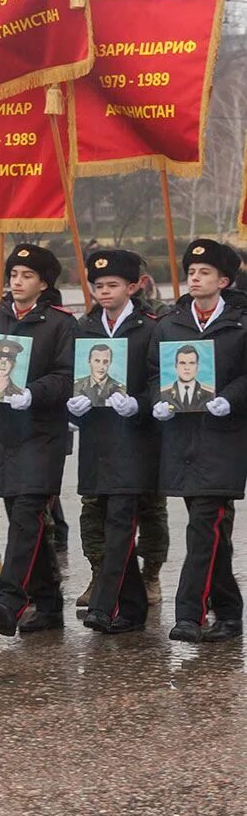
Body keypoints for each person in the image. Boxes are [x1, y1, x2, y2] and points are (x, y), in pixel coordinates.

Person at [0, 245, 75, 636]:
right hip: (1, 434)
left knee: (28, 516)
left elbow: (67, 376)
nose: (17, 281)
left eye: (27, 275)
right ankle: (49, 605)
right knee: (25, 519)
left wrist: (33, 391)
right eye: (13, 274)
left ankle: (11, 600)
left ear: (43, 284)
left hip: (41, 433)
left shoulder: (60, 324)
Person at [151, 239, 247, 643]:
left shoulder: (241, 323)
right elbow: (155, 374)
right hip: (183, 439)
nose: (194, 276)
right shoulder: (170, 323)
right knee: (209, 530)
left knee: (204, 525)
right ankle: (228, 610)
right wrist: (157, 399)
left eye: (204, 272)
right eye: (191, 270)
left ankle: (189, 613)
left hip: (224, 439)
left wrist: (232, 397)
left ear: (223, 281)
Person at [64, 249, 159, 633]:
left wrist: (138, 403)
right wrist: (73, 407)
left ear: (133, 287)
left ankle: (104, 605)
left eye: (113, 285)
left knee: (122, 521)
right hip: (98, 439)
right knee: (106, 520)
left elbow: (161, 384)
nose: (104, 292)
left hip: (136, 441)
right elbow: (73, 376)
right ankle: (133, 610)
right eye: (98, 285)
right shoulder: (85, 329)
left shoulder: (151, 327)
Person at [159, 344, 214, 410]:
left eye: (192, 363)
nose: (187, 368)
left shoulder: (209, 395)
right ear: (176, 366)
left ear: (197, 366)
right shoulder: (165, 395)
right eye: (182, 363)